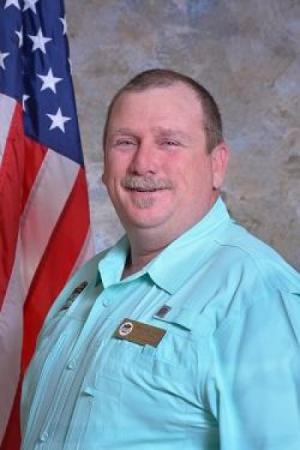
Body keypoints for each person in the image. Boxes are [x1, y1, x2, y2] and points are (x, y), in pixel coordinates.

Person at [21, 69, 300, 450]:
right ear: (105, 163)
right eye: (125, 142)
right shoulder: (87, 281)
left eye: (169, 142)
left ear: (217, 164)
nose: (143, 163)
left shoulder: (256, 296)